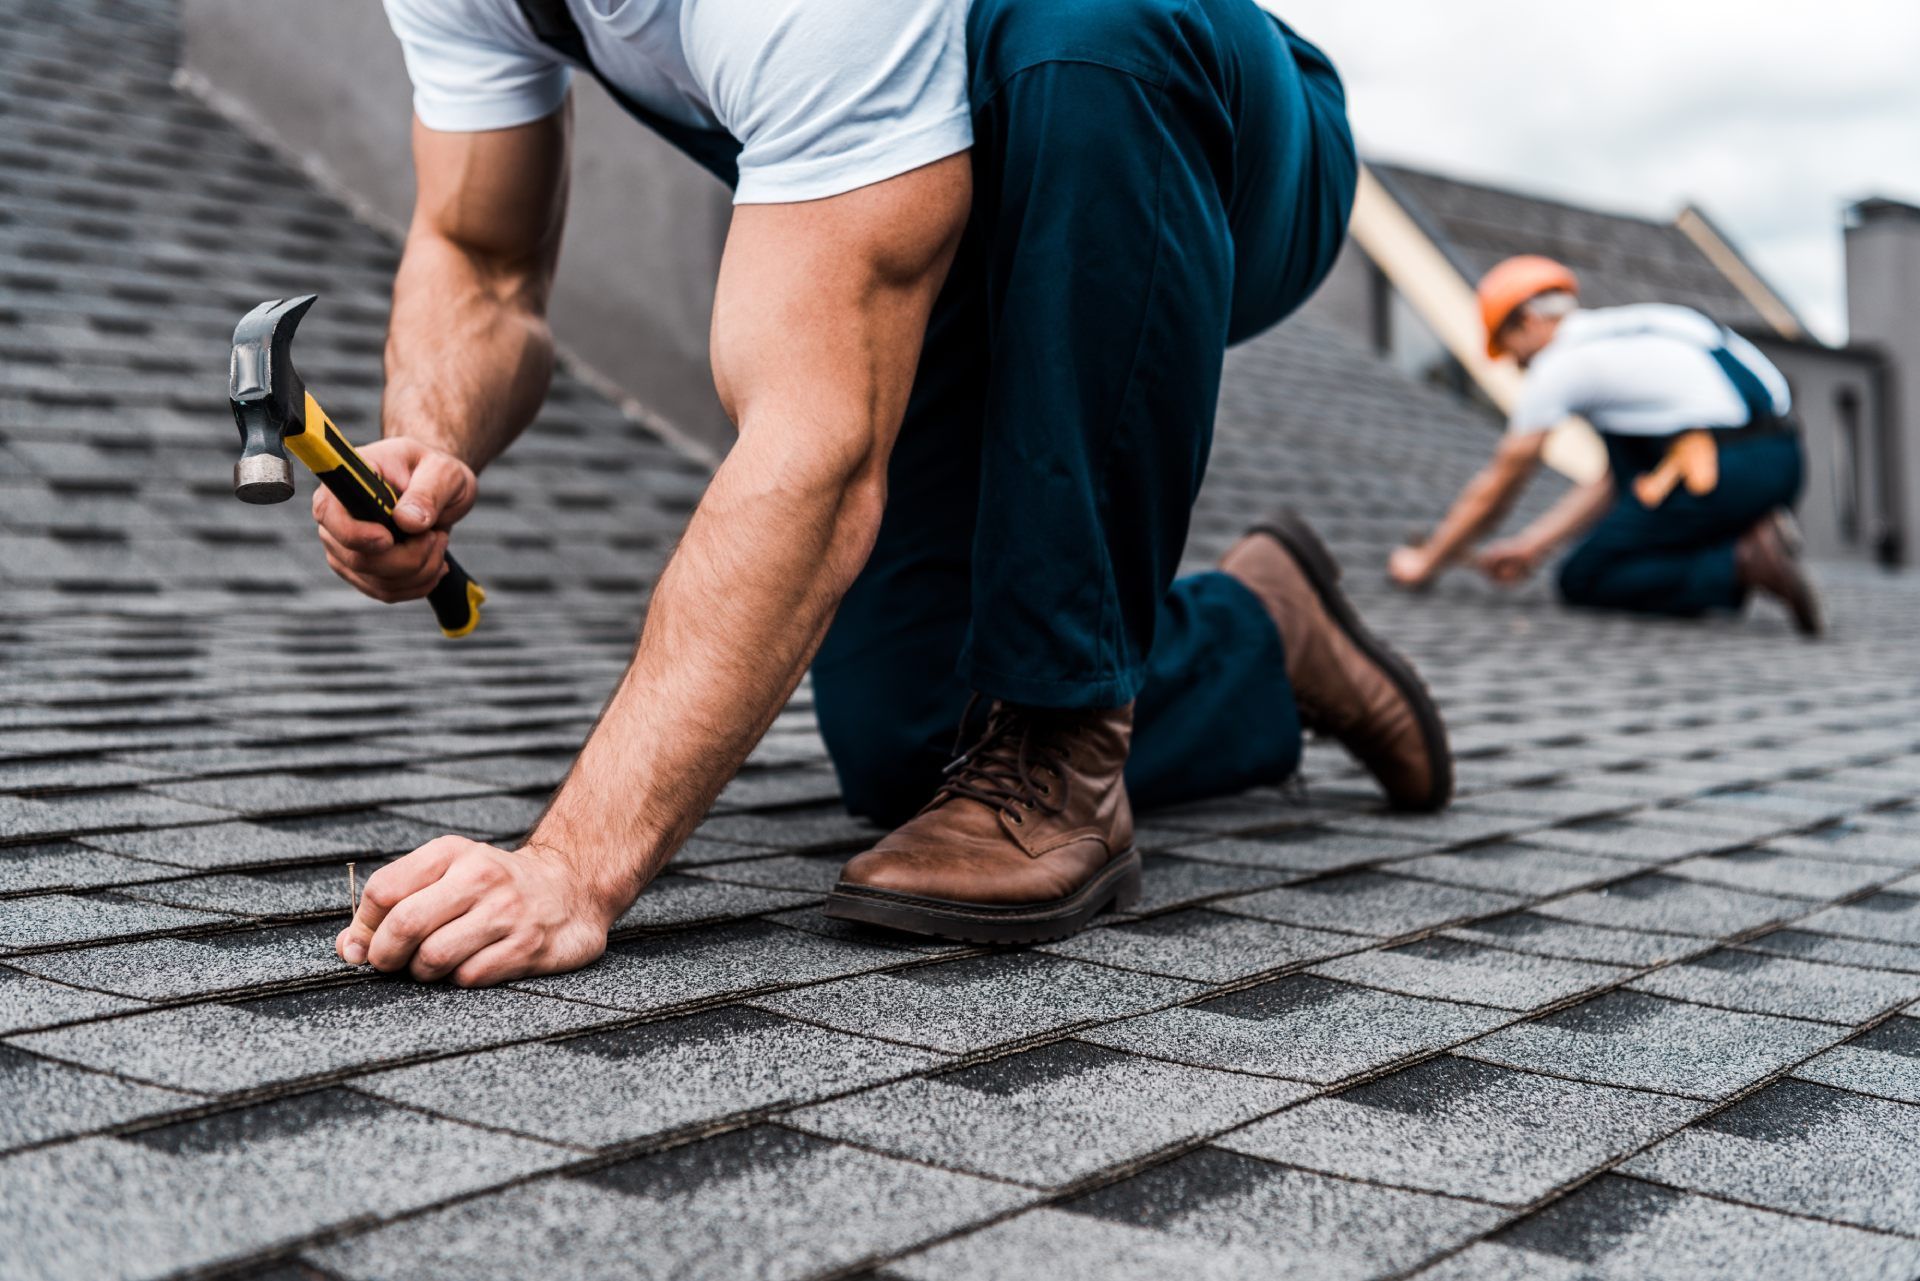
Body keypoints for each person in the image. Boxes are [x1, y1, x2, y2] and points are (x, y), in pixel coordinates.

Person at [323, 0, 1454, 986]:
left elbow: (816, 447)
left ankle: (1068, 745)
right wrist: (424, 442)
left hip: (1200, 121)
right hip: (943, 192)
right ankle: (1263, 631)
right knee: (922, 738)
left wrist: (571, 867)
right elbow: (479, 252)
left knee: (1089, 25)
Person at [1388, 256, 1822, 634]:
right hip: (1784, 458)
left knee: (1586, 576)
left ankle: (1742, 563)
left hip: (1724, 470)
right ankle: (1748, 530)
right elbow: (1617, 481)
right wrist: (1532, 546)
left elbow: (1502, 479)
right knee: (1634, 519)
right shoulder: (1649, 325)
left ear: (1528, 321)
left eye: (1510, 349)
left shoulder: (1560, 364)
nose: (1516, 365)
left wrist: (1428, 561)